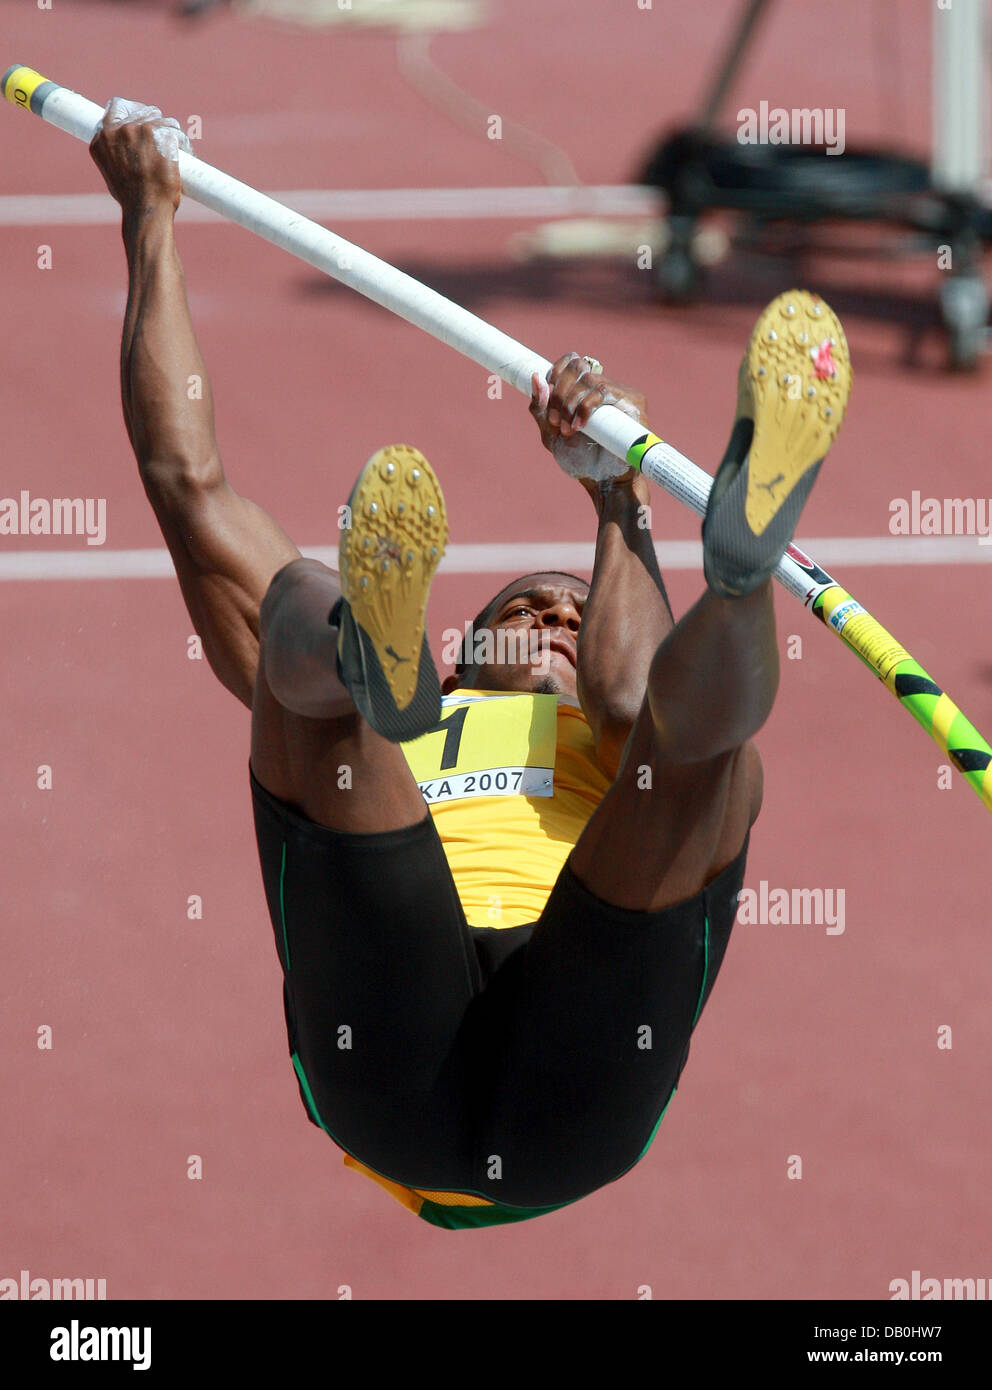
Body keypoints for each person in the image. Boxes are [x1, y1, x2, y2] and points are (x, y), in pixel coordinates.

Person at [89, 104, 851, 1228]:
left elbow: (631, 688)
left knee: (692, 756)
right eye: (526, 608)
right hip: (402, 1034)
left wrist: (614, 500)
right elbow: (185, 481)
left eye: (566, 612)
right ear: (454, 658)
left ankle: (738, 577)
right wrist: (148, 215)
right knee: (304, 610)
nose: (547, 613)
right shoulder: (417, 722)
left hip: (574, 1055)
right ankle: (360, 638)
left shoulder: (614, 711)